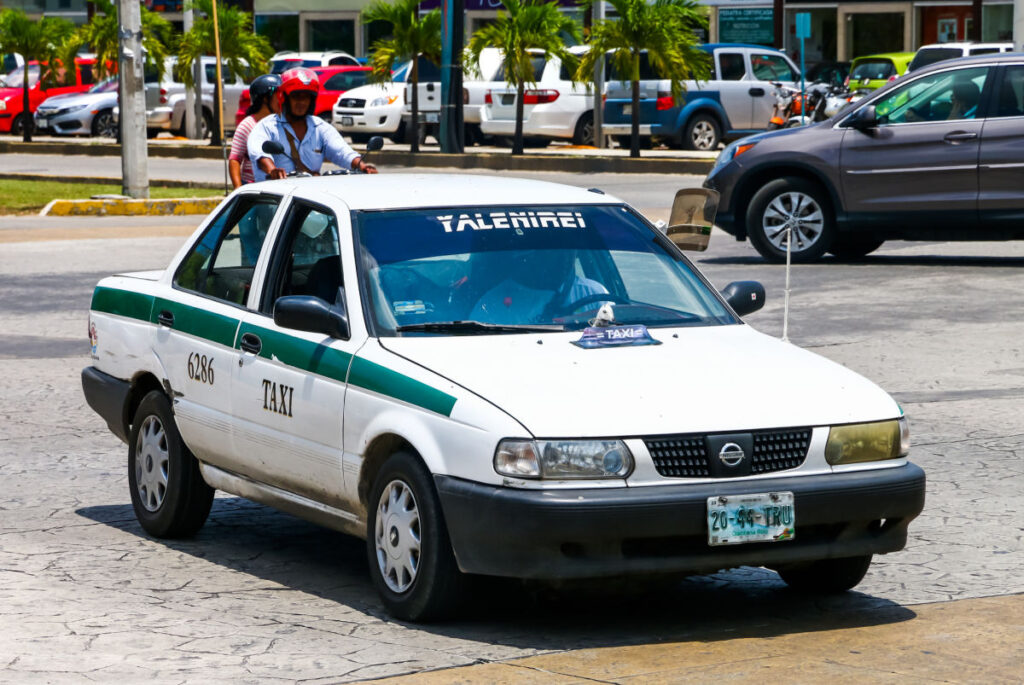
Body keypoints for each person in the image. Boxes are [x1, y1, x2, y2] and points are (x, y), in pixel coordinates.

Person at [247, 67, 377, 180]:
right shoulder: (266, 127)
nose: (302, 102)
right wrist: (272, 170)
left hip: (308, 198)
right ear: (285, 98)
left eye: (306, 97)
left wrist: (362, 166)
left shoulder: (320, 128)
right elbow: (260, 155)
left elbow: (342, 152)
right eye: (296, 96)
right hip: (273, 199)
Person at [468, 250, 608, 325]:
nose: (565, 259)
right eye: (556, 252)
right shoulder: (494, 302)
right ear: (534, 255)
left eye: (571, 251)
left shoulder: (594, 293)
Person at [229, 74, 281, 189]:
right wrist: (239, 189)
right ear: (265, 99)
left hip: (279, 185)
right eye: (278, 96)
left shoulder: (282, 123)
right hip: (253, 187)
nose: (281, 100)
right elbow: (235, 159)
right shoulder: (247, 125)